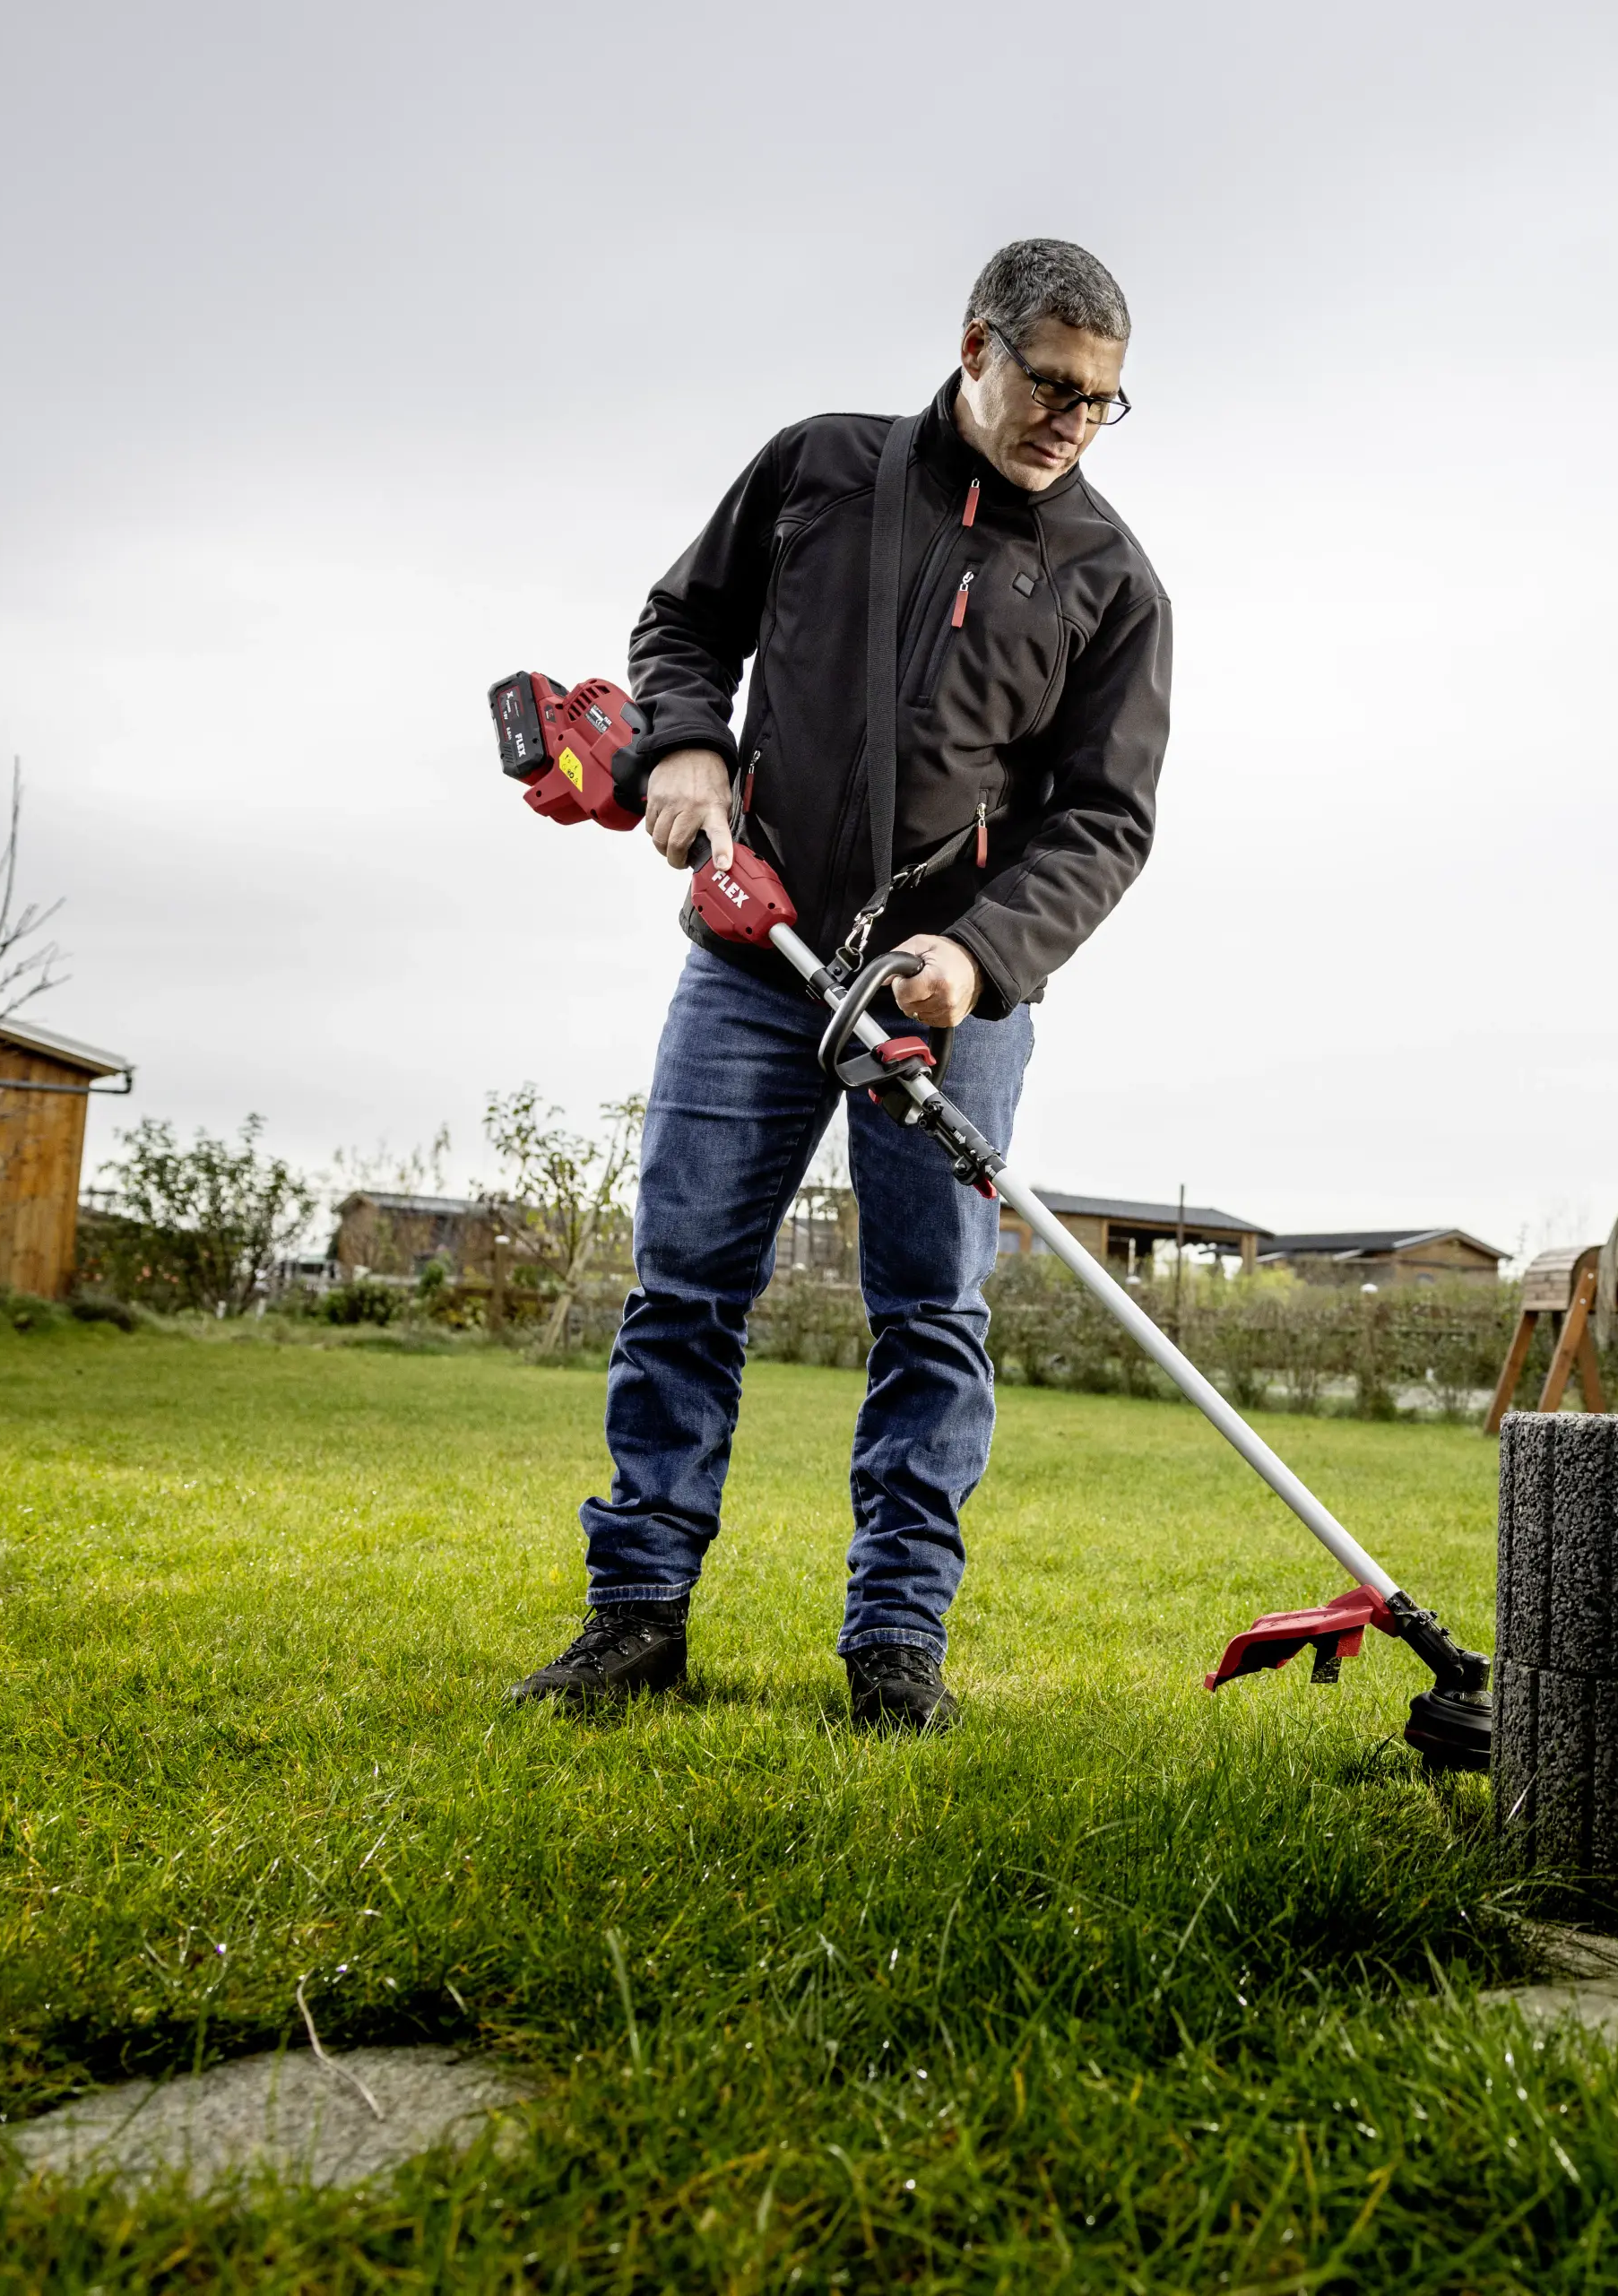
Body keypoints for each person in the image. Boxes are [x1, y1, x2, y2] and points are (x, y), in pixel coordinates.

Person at [509, 239, 1171, 1730]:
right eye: (1051, 384)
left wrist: (978, 955)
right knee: (684, 1290)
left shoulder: (1112, 582)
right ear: (975, 346)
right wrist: (681, 743)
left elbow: (1105, 821)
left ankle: (894, 1650)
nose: (1070, 420)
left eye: (1101, 402)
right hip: (759, 962)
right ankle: (635, 1620)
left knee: (933, 1320)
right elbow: (687, 624)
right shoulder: (823, 468)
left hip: (940, 999)